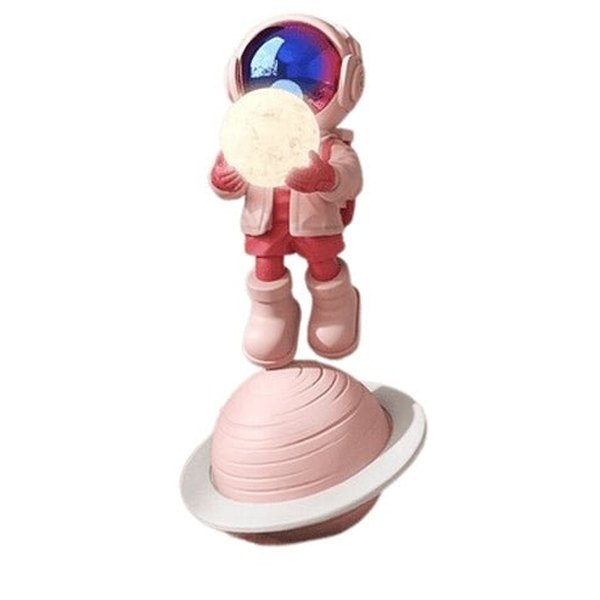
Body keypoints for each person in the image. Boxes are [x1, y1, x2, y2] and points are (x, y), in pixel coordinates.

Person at [210, 16, 365, 368]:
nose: (288, 94)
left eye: (308, 84)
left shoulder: (329, 145)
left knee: (323, 263)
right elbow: (228, 174)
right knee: (266, 266)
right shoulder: (248, 137)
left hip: (316, 224)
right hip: (265, 224)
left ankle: (335, 304)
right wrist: (224, 178)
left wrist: (326, 177)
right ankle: (271, 312)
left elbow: (351, 177)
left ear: (347, 84)